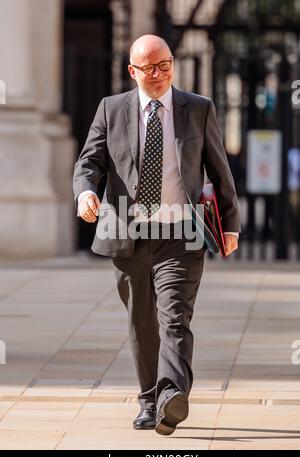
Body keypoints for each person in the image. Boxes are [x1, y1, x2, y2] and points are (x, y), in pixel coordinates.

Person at [73, 35, 240, 436]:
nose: (159, 74)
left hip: (181, 233)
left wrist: (230, 223)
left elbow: (219, 170)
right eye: (149, 67)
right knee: (141, 321)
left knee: (175, 318)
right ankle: (150, 400)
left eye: (165, 64)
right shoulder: (111, 110)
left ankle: (171, 396)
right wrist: (86, 193)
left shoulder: (197, 109)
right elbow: (89, 162)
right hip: (128, 233)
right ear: (133, 71)